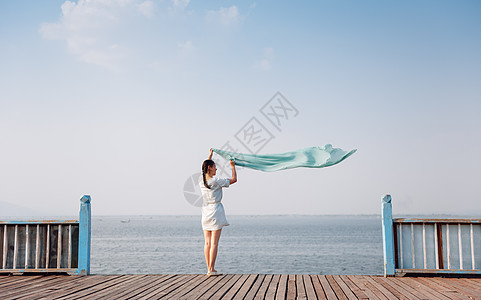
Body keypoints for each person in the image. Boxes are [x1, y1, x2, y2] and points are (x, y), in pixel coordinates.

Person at [199, 148, 237, 276]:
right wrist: (232, 167)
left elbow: (205, 166)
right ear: (209, 168)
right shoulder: (216, 181)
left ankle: (208, 268)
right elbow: (233, 180)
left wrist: (210, 154)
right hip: (215, 211)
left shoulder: (201, 179)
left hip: (205, 212)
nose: (216, 169)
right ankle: (212, 269)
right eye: (214, 167)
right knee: (214, 242)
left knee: (207, 242)